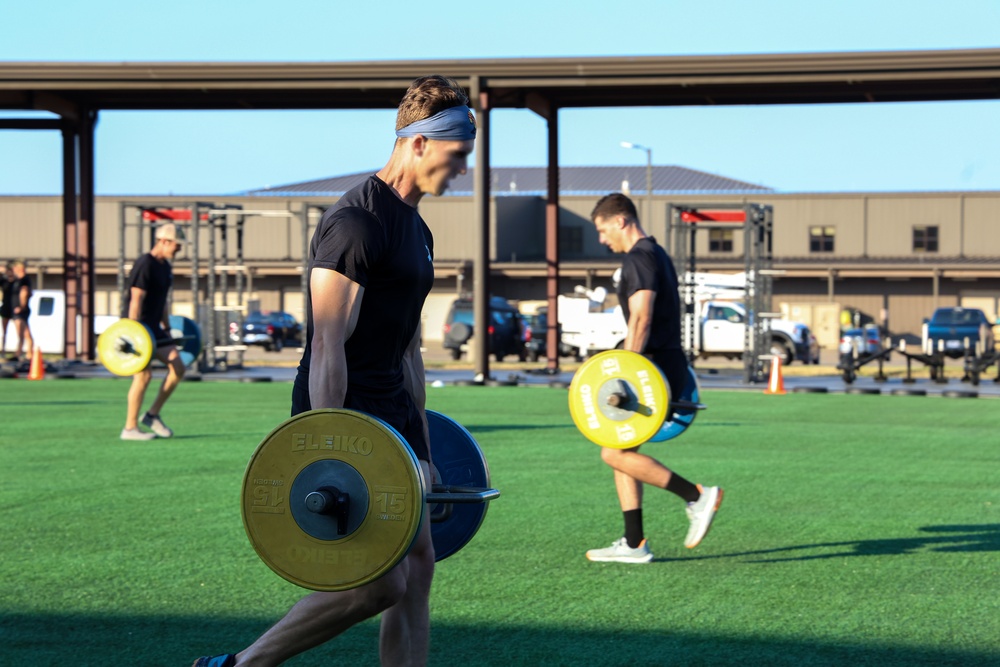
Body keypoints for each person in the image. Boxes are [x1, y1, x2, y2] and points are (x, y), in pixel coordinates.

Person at [192, 74, 476, 667]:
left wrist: (423, 446)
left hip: (393, 415)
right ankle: (242, 664)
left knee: (417, 568)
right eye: (458, 155)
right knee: (379, 583)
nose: (462, 170)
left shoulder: (417, 231)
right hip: (346, 417)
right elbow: (327, 345)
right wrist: (330, 450)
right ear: (419, 143)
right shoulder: (357, 223)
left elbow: (408, 350)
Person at [584, 193, 723, 564]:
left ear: (621, 221)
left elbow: (641, 317)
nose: (601, 239)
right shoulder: (655, 253)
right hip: (660, 367)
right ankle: (634, 544)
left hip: (653, 372)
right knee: (619, 446)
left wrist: (627, 373)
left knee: (612, 450)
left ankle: (696, 496)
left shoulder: (640, 256)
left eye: (602, 229)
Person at [119, 222, 187, 441]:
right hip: (139, 328)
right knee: (143, 376)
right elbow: (136, 298)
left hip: (156, 328)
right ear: (164, 241)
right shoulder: (145, 263)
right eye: (177, 245)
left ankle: (152, 414)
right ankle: (129, 428)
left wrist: (167, 329)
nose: (179, 249)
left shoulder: (165, 267)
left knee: (178, 367)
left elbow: (162, 301)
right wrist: (132, 332)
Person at [9, 260, 34, 363]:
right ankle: (26, 353)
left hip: (20, 311)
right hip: (18, 309)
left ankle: (22, 353)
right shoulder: (17, 280)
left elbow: (25, 293)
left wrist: (21, 307)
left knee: (22, 333)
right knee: (25, 332)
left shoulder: (23, 280)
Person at [1, 262, 13, 357]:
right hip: (6, 307)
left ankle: (19, 352)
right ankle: (3, 350)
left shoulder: (18, 281)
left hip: (15, 307)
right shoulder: (3, 281)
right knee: (4, 331)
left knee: (21, 330)